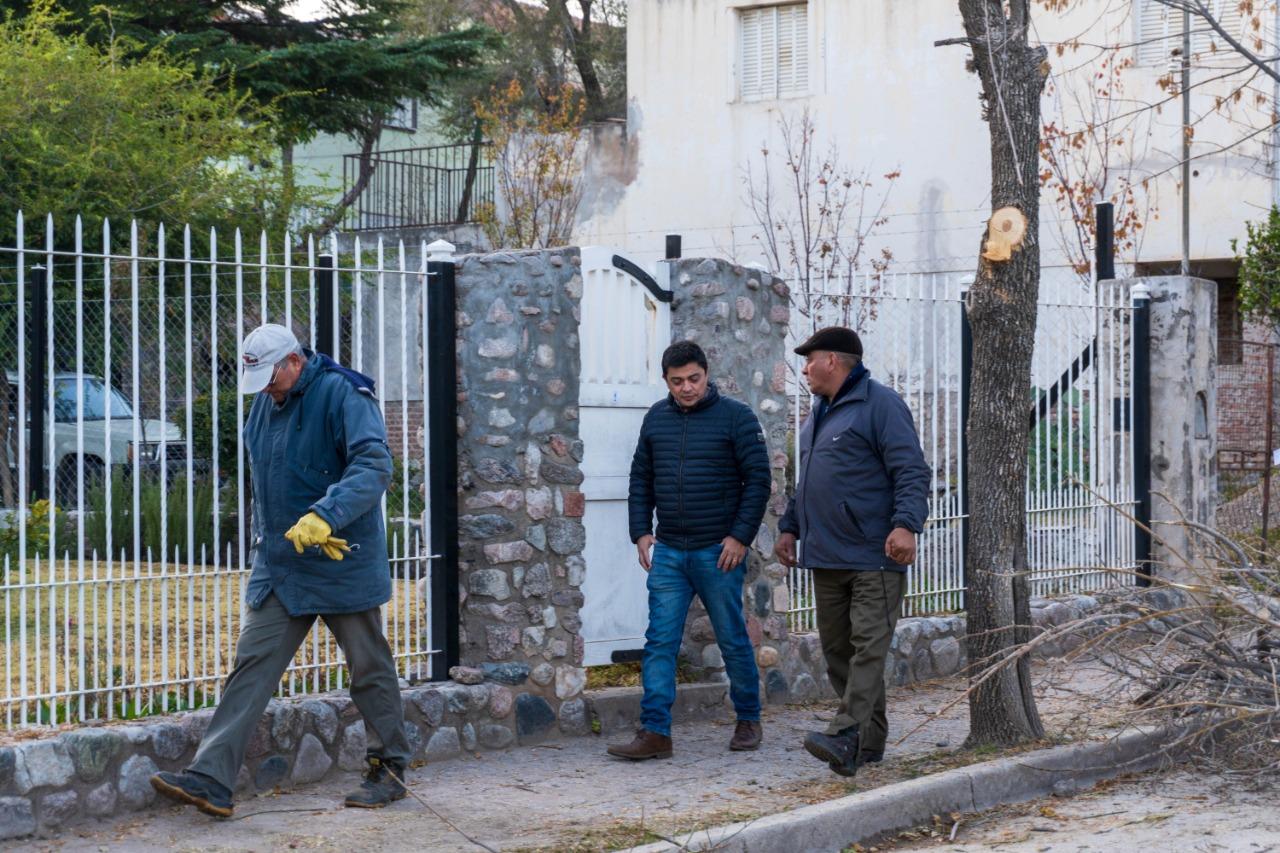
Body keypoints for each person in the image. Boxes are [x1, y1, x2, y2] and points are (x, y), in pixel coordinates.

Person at [150, 323, 411, 817]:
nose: (266, 388)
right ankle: (211, 780)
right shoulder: (264, 405)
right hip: (282, 566)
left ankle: (389, 769)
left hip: (341, 559)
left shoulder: (343, 394)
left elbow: (374, 465)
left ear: (294, 361)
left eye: (272, 377)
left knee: (369, 670)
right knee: (252, 666)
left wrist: (325, 514)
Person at [775, 326, 930, 777]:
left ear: (833, 361)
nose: (803, 368)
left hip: (874, 554)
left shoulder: (880, 404)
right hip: (826, 556)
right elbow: (809, 482)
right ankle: (868, 743)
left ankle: (845, 733)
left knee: (867, 648)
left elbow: (911, 470)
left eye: (809, 359)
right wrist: (790, 527)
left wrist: (906, 525)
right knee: (839, 652)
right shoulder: (817, 413)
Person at [607, 341, 773, 760]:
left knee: (733, 639)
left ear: (706, 373)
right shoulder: (656, 419)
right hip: (669, 553)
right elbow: (640, 477)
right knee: (659, 641)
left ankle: (748, 719)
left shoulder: (737, 417)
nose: (686, 388)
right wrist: (640, 532)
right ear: (666, 380)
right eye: (677, 381)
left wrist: (739, 537)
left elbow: (758, 480)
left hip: (718, 552)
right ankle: (655, 732)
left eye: (693, 379)